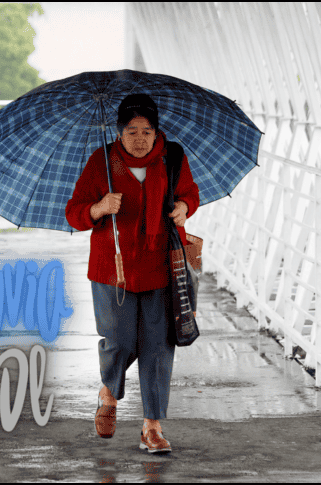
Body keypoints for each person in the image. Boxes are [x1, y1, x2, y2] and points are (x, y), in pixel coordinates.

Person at [65, 93, 200, 453]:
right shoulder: (101, 162)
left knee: (158, 347)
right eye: (131, 132)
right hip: (113, 270)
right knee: (120, 340)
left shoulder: (172, 158)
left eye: (147, 131)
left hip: (160, 267)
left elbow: (190, 193)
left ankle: (151, 427)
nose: (140, 139)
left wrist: (184, 206)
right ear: (119, 132)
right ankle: (109, 392)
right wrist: (98, 208)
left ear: (157, 132)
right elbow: (74, 212)